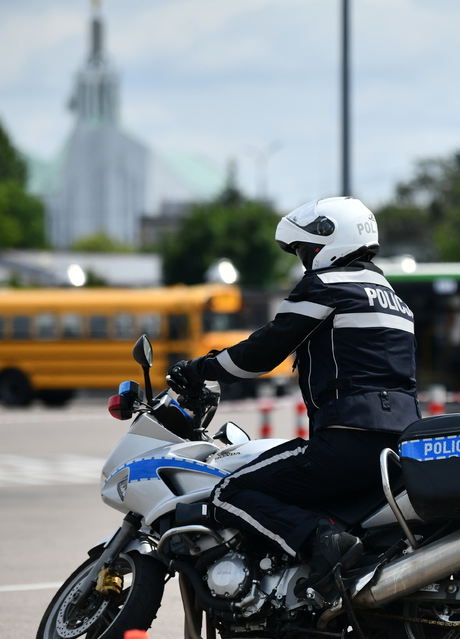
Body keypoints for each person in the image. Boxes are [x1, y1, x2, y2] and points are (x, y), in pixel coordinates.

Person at [166, 197, 419, 595]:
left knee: (229, 492)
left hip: (347, 439)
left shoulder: (327, 286)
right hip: (400, 447)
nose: (305, 262)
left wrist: (199, 369)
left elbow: (261, 352)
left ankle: (324, 542)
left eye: (306, 251)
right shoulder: (395, 300)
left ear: (329, 244)